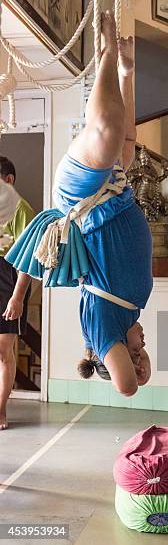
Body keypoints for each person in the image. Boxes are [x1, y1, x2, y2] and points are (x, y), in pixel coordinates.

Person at [4, 11, 153, 398]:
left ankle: (103, 54)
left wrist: (136, 366)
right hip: (114, 193)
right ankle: (119, 70)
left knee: (106, 131)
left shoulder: (102, 327)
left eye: (137, 348)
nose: (143, 342)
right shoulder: (130, 312)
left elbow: (127, 388)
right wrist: (129, 74)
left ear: (115, 352)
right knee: (125, 140)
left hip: (82, 199)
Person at [0, 157, 35, 430]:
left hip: (10, 276)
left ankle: (0, 410)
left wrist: (18, 297)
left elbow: (28, 262)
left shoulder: (22, 210)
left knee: (3, 350)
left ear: (8, 180)